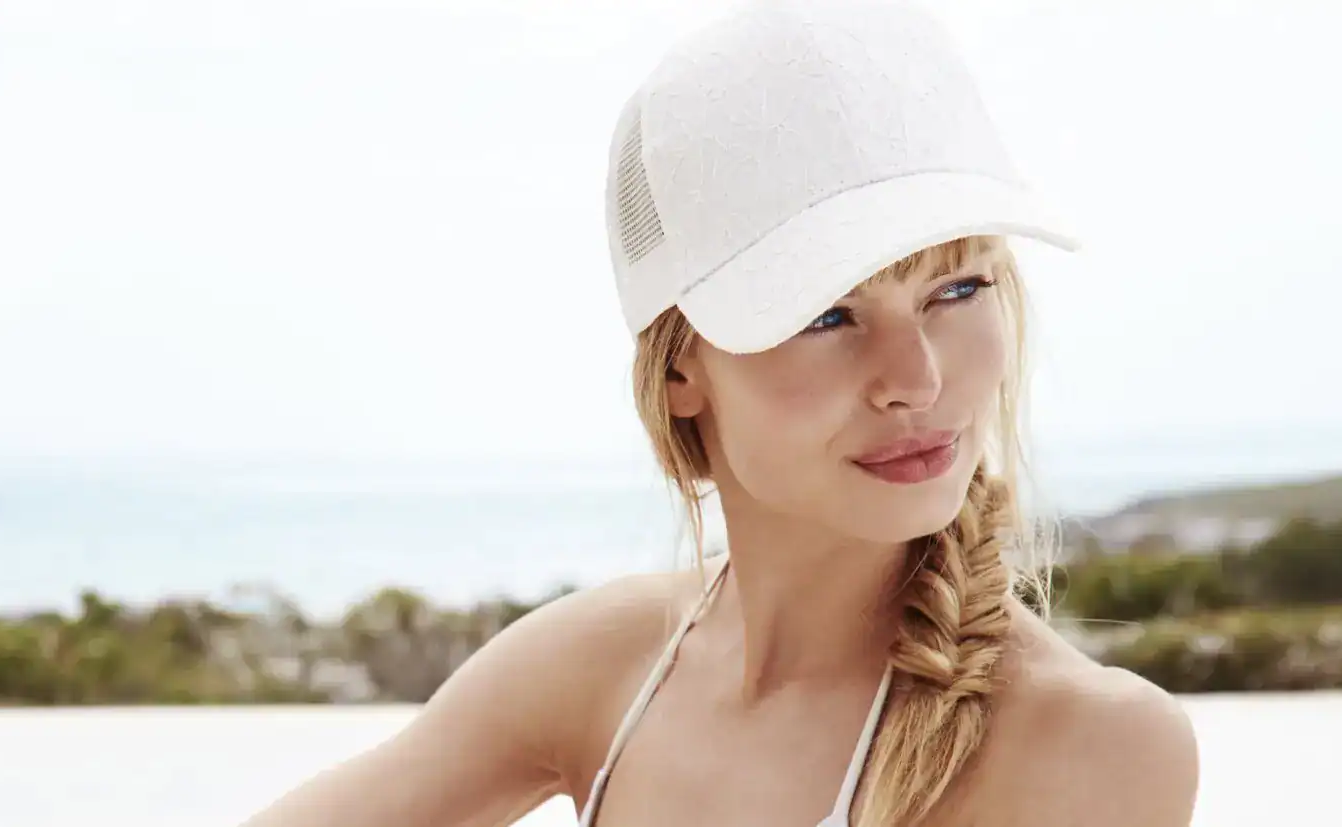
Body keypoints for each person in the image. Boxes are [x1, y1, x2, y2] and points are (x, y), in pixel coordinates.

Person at [240, 0, 1199, 824]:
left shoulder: (1090, 741)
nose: (915, 376)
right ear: (679, 370)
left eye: (955, 291)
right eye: (828, 313)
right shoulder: (602, 667)